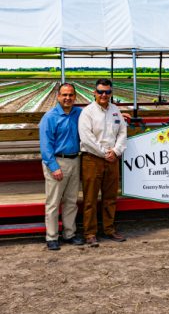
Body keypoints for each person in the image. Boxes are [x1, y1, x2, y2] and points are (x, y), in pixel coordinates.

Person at [78, 78, 127, 247]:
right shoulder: (88, 112)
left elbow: (122, 132)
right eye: (100, 91)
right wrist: (105, 153)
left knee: (110, 196)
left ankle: (109, 229)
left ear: (111, 93)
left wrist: (116, 151)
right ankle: (90, 233)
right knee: (90, 198)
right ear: (94, 93)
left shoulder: (115, 110)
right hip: (92, 159)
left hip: (112, 158)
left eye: (107, 92)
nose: (103, 95)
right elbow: (87, 138)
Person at [39, 83, 84, 251]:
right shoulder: (50, 117)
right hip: (57, 162)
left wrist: (118, 113)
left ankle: (69, 234)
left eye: (71, 95)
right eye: (64, 95)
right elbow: (45, 146)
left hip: (74, 160)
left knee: (71, 201)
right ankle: (51, 237)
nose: (68, 98)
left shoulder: (79, 113)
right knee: (53, 202)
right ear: (58, 97)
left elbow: (97, 116)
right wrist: (53, 167)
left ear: (75, 97)